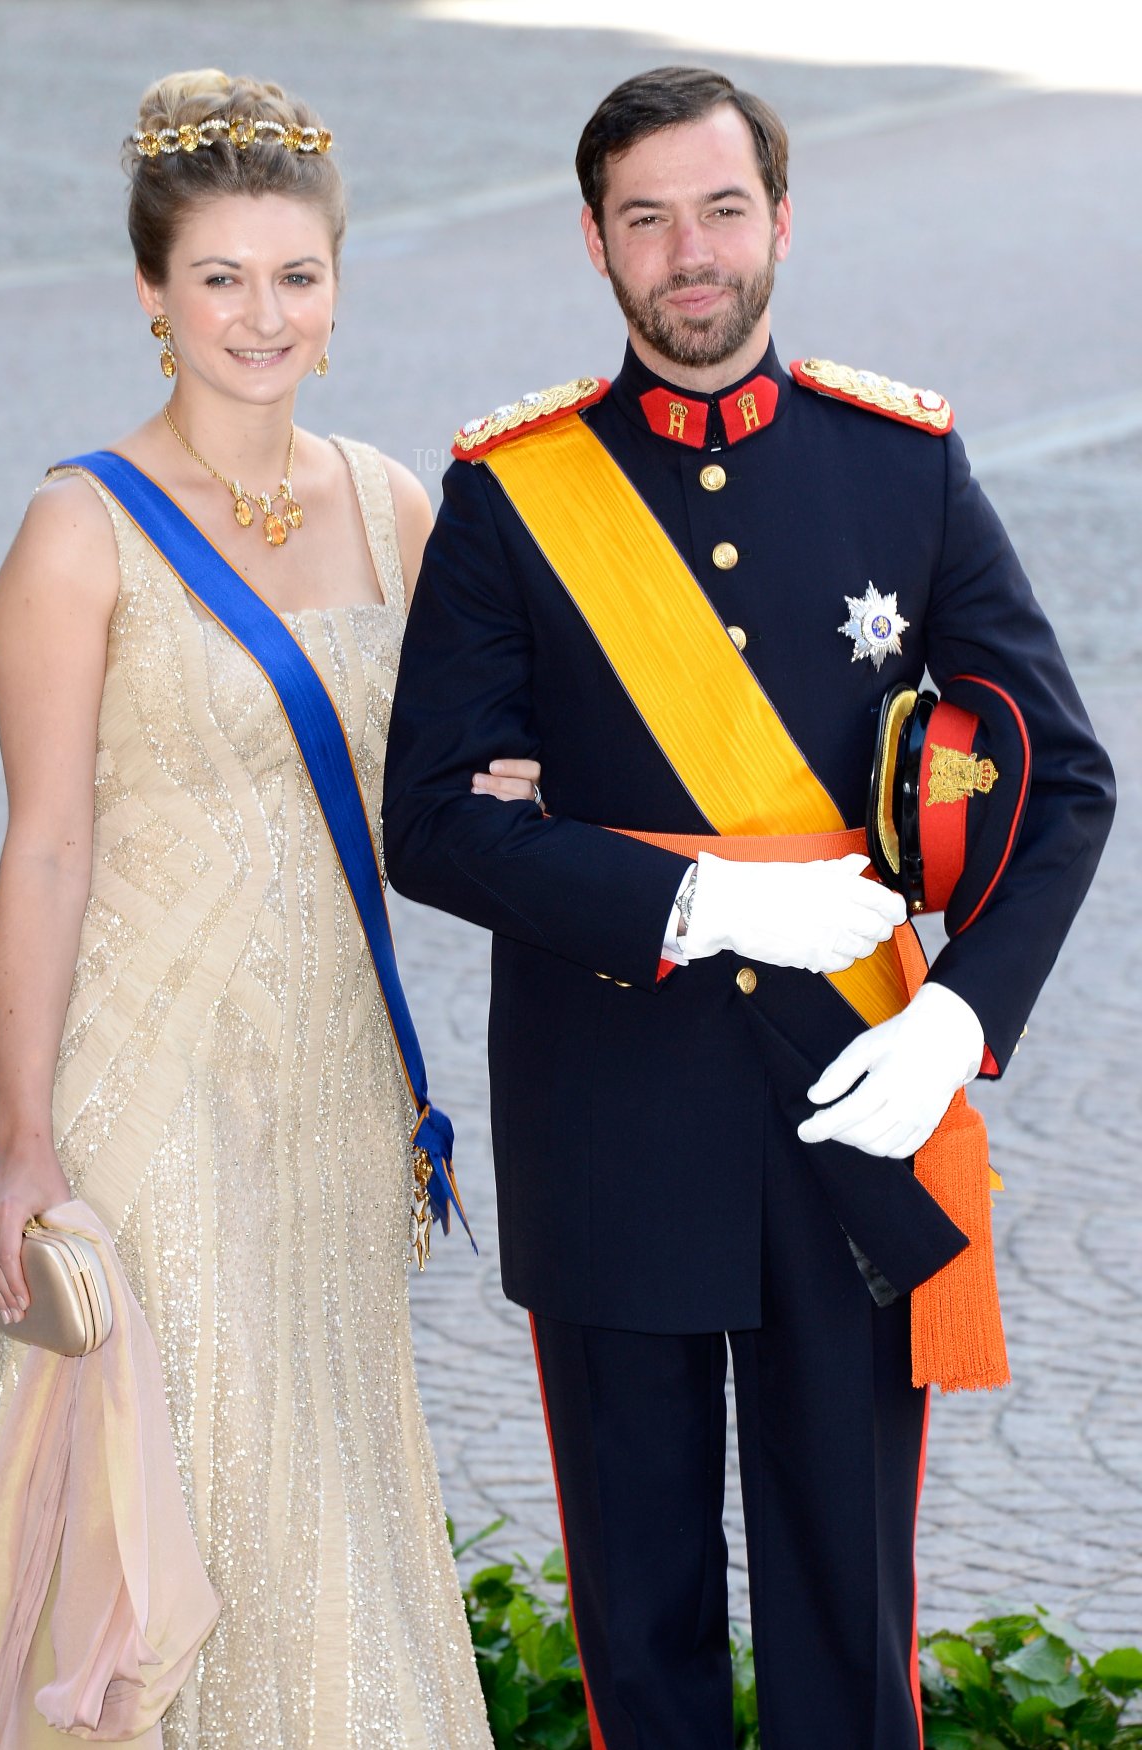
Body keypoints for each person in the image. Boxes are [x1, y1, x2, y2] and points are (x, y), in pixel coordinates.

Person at [382, 65, 1116, 1750]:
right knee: (640, 1630)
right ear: (595, 243)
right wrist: (699, 897)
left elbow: (1064, 780)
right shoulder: (511, 494)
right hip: (607, 1111)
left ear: (783, 220)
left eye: (720, 210)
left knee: (845, 1620)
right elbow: (432, 823)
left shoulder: (901, 466)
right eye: (647, 219)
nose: (688, 253)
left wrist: (957, 1018)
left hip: (855, 1097)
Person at [0, 67, 540, 1750]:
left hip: (339, 1087)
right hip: (152, 1084)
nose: (259, 315)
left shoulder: (395, 506)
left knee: (336, 1469)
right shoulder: (76, 532)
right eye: (218, 277)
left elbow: (457, 777)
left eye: (294, 275)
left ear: (338, 287)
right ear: (151, 292)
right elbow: (43, 845)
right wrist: (20, 1138)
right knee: (192, 1471)